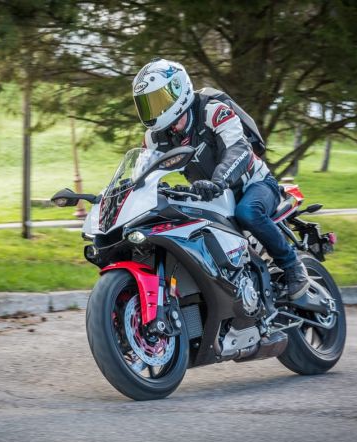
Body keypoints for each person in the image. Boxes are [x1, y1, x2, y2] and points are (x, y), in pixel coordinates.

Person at [132, 58, 309, 300]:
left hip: (253, 184)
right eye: (148, 104)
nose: (155, 110)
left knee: (248, 212)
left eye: (158, 100)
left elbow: (239, 149)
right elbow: (143, 173)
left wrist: (218, 181)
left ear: (178, 89)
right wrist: (129, 191)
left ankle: (292, 265)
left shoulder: (212, 111)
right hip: (211, 197)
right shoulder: (155, 138)